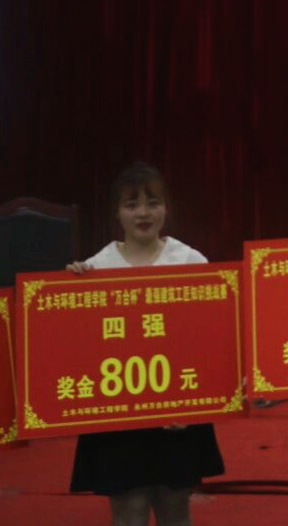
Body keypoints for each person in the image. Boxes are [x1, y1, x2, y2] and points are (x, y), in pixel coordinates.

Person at [66, 163, 225, 526]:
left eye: (153, 203)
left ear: (166, 209)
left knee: (175, 509)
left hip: (178, 413)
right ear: (117, 213)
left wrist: (195, 404)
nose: (143, 213)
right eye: (131, 204)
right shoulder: (96, 268)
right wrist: (70, 286)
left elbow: (211, 341)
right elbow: (80, 348)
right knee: (129, 512)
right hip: (117, 417)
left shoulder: (191, 262)